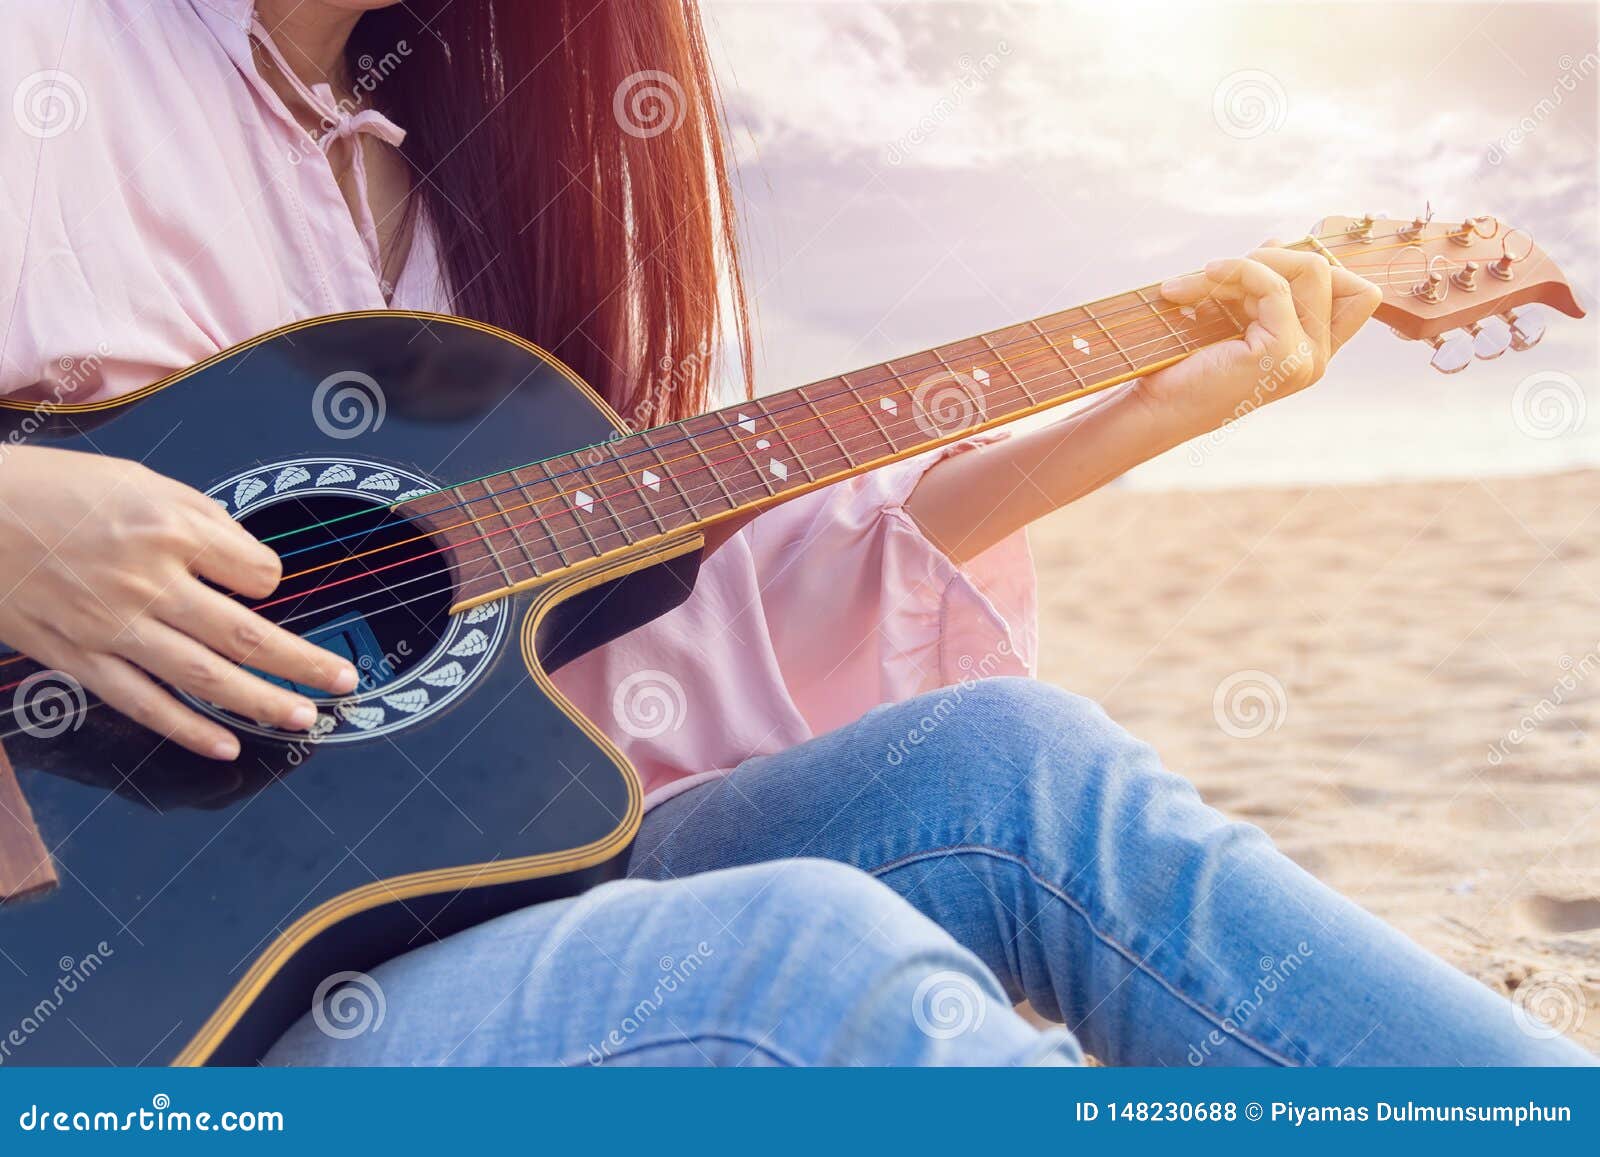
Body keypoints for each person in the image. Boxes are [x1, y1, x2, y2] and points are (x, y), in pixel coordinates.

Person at [1, 0, 1588, 1066]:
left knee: (1013, 768)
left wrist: (1152, 403)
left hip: (444, 912)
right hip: (150, 1039)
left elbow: (696, 615)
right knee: (802, 961)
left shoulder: (462, 207)